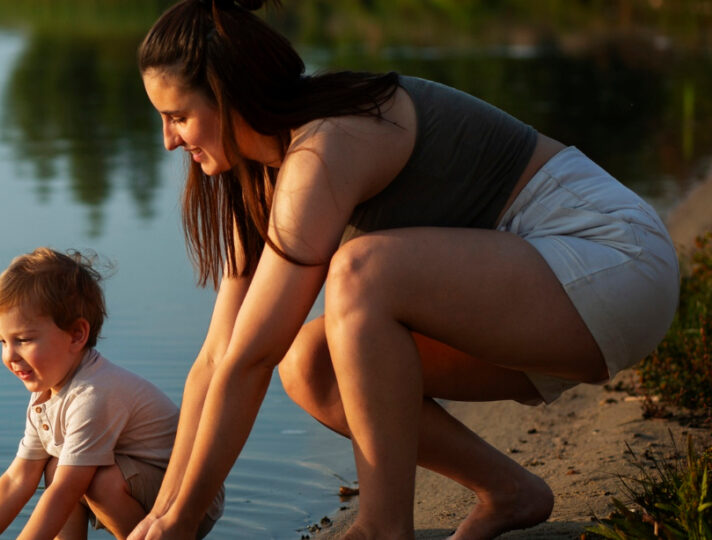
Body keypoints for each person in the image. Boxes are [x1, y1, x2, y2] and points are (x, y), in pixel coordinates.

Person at [125, 1, 680, 539]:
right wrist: (170, 515)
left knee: (362, 272)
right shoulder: (260, 178)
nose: (170, 140)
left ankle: (383, 527)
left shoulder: (327, 142)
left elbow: (250, 360)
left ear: (230, 95)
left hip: (612, 258)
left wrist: (183, 517)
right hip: (539, 298)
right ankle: (508, 491)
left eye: (178, 117)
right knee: (311, 364)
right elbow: (219, 355)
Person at [0, 247, 223, 540]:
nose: (10, 355)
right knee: (55, 467)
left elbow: (67, 491)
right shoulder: (46, 393)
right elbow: (17, 479)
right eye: (2, 341)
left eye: (24, 340)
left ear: (77, 335)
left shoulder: (94, 394)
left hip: (187, 502)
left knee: (90, 480)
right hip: (139, 484)